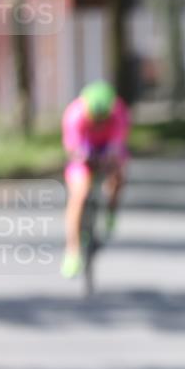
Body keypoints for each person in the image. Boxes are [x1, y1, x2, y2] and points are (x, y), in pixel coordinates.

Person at [59, 81, 131, 278]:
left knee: (118, 174)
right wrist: (82, 157)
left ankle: (111, 210)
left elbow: (118, 144)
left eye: (103, 118)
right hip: (84, 149)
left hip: (108, 147)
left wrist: (111, 160)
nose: (99, 121)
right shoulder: (74, 115)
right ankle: (72, 251)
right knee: (79, 193)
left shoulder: (118, 112)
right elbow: (72, 149)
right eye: (95, 118)